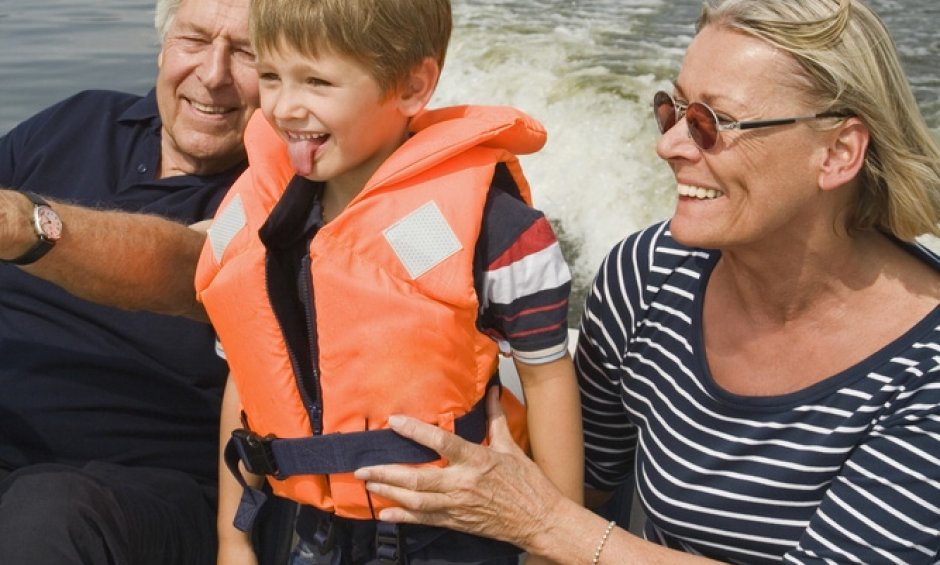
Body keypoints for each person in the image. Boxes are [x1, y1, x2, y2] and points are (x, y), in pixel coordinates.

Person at [354, 0, 940, 563]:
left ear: (838, 152)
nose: (669, 144)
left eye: (713, 123)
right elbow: (590, 486)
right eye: (674, 109)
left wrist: (548, 525)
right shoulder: (647, 274)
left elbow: (561, 521)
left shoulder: (925, 371)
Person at [197, 0, 583, 563]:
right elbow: (248, 373)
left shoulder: (494, 230)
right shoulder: (267, 221)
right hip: (308, 531)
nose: (283, 107)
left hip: (455, 530)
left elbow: (547, 377)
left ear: (410, 86)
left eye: (317, 81)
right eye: (272, 75)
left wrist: (555, 544)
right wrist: (233, 542)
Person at [0, 0, 257, 562]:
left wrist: (27, 226)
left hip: (148, 498)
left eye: (247, 53)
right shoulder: (77, 121)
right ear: (163, 45)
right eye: (193, 41)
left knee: (49, 509)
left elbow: (186, 268)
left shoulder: (288, 186)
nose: (213, 75)